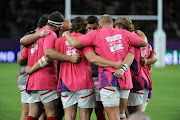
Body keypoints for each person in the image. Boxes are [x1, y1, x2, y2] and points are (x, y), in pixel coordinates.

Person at [62, 14, 148, 120]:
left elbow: (76, 44)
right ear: (112, 24)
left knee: (113, 115)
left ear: (100, 26)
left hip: (108, 79)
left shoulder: (95, 34)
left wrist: (66, 34)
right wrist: (142, 33)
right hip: (125, 78)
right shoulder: (125, 33)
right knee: (121, 114)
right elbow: (143, 43)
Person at [18, 11, 77, 120]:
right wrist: (70, 58)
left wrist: (28, 69)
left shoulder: (35, 35)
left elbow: (22, 57)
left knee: (32, 114)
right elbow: (48, 54)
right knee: (52, 114)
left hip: (32, 82)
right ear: (58, 26)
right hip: (46, 79)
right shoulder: (51, 34)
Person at [114, 17, 157, 116]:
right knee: (138, 115)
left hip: (135, 82)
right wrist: (147, 62)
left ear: (120, 27)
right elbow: (154, 56)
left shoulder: (128, 40)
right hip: (145, 82)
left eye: (115, 28)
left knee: (133, 116)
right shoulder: (140, 37)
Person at [17, 14, 49, 120]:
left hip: (33, 78)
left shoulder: (30, 36)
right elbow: (21, 59)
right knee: (28, 112)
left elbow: (21, 60)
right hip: (29, 77)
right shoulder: (32, 37)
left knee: (40, 112)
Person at [86, 15, 106, 120]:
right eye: (89, 28)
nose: (92, 30)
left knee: (99, 108)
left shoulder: (103, 40)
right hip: (86, 80)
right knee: (86, 110)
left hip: (100, 78)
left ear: (99, 27)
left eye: (94, 28)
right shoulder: (81, 40)